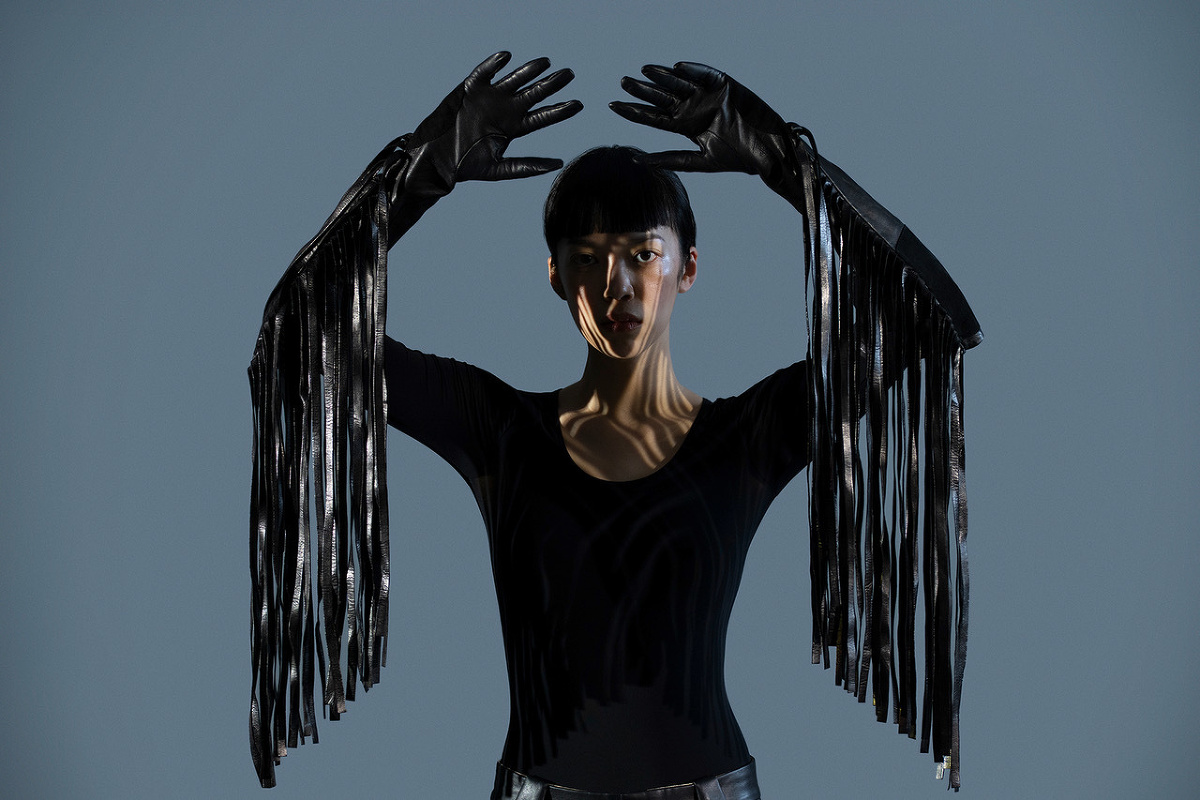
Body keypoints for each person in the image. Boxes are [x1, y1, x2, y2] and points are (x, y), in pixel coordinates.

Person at [248, 53, 981, 797]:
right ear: (556, 276)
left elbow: (937, 318)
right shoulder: (497, 427)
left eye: (643, 254)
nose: (617, 285)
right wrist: (425, 166)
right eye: (589, 257)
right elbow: (300, 333)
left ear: (687, 269)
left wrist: (781, 158)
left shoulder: (751, 437)